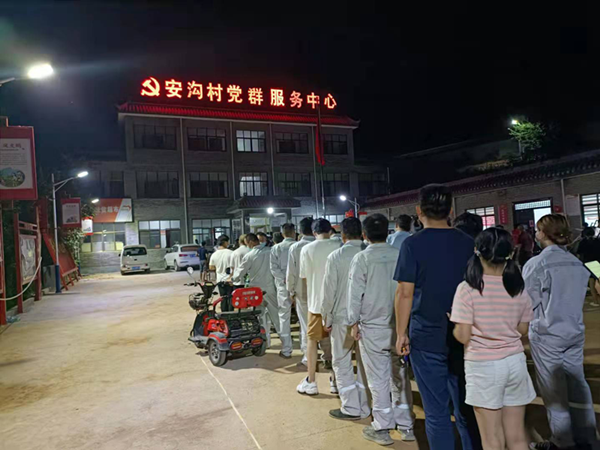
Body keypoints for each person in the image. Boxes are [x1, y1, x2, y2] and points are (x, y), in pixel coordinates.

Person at [394, 184, 481, 449]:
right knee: (466, 407)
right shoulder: (468, 243)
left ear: (419, 211)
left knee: (436, 411)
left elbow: (405, 293)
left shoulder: (412, 244)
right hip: (463, 334)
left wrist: (401, 333)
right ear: (450, 210)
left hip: (426, 334)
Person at [451, 228, 535, 450]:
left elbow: (463, 336)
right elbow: (523, 329)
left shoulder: (467, 289)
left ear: (477, 251)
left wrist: (455, 323)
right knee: (517, 437)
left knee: (492, 441)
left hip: (483, 366)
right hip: (515, 363)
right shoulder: (517, 287)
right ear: (510, 253)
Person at [523, 214, 598, 449]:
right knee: (578, 385)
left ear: (544, 234)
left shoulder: (537, 264)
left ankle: (562, 440)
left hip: (547, 334)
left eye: (538, 230)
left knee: (553, 390)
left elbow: (527, 303)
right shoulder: (576, 263)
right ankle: (587, 437)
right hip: (574, 331)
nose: (536, 234)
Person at [348, 214, 416, 445]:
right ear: (388, 232)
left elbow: (354, 295)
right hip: (400, 326)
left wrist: (353, 323)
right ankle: (406, 425)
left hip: (372, 327)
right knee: (400, 376)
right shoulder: (400, 255)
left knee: (378, 379)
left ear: (364, 235)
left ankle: (382, 426)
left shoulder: (362, 259)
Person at [322, 217, 371, 421]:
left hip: (342, 317)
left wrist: (326, 318)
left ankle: (350, 406)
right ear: (362, 233)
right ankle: (365, 405)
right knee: (364, 363)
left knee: (341, 362)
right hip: (367, 318)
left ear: (342, 235)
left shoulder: (335, 256)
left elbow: (329, 292)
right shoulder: (369, 253)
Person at [296, 218, 340, 396]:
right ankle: (335, 381)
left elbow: (304, 276)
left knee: (312, 341)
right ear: (330, 231)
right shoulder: (339, 247)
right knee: (336, 345)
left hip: (316, 304)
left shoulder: (307, 249)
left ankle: (312, 381)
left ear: (314, 233)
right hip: (336, 304)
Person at [233, 233, 279, 348]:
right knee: (276, 315)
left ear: (250, 242)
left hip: (255, 291)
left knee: (260, 316)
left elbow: (240, 272)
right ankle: (286, 344)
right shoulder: (271, 251)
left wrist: (233, 279)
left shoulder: (249, 255)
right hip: (270, 287)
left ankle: (265, 342)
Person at [287, 217, 315, 366]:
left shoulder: (296, 247)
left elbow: (291, 272)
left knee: (305, 325)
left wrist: (290, 291)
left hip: (302, 291)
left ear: (300, 230)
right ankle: (327, 355)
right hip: (322, 292)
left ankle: (308, 356)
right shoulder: (324, 245)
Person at [270, 223, 296, 359]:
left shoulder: (276, 248)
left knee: (284, 317)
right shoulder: (299, 246)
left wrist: (285, 280)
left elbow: (273, 269)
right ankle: (307, 353)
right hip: (299, 285)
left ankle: (286, 350)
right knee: (303, 318)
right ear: (294, 232)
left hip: (282, 286)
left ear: (282, 233)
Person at [577, 226, 600, 306]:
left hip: (588, 263)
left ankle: (595, 301)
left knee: (591, 283)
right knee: (598, 281)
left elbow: (579, 253)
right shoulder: (597, 241)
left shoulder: (583, 242)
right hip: (597, 262)